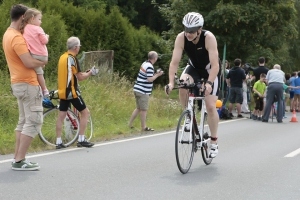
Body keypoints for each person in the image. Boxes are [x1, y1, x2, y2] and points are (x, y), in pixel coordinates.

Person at [165, 12, 220, 158]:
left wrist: (208, 83)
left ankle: (214, 142)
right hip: (193, 68)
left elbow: (215, 65)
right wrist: (171, 82)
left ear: (199, 29)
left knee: (210, 105)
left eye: (191, 31)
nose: (188, 33)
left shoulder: (209, 38)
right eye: (186, 29)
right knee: (182, 84)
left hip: (210, 70)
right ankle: (188, 116)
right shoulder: (181, 37)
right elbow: (174, 62)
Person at [3, 4, 47, 170]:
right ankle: (20, 160)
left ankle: (17, 158)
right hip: (28, 84)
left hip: (18, 82)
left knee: (23, 121)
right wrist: (43, 62)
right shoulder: (17, 38)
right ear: (23, 18)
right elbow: (28, 62)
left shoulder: (7, 34)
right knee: (34, 121)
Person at [55, 36, 98, 149]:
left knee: (61, 116)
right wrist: (90, 73)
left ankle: (58, 141)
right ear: (75, 47)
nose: (79, 48)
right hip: (72, 92)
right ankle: (81, 139)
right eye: (79, 46)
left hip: (62, 91)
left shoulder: (62, 57)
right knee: (85, 112)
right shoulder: (72, 58)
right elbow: (80, 77)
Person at [128, 51, 163, 131]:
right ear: (155, 58)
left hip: (137, 89)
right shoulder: (150, 66)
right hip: (143, 91)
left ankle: (130, 124)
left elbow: (148, 75)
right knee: (144, 109)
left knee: (138, 108)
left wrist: (155, 73)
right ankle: (143, 127)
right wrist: (157, 75)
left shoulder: (144, 63)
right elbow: (150, 79)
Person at [20, 8, 49, 97]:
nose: (41, 22)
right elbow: (44, 41)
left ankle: (41, 89)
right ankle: (44, 89)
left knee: (37, 71)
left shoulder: (24, 28)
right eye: (39, 19)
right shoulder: (38, 29)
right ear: (32, 18)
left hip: (32, 55)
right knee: (40, 73)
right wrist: (47, 37)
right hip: (42, 55)